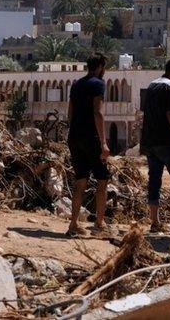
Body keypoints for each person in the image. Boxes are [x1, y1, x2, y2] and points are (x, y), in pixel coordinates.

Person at [140, 59, 170, 234]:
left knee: (154, 179)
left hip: (149, 140)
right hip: (167, 141)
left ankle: (155, 222)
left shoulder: (152, 85)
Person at [66, 53, 111, 237]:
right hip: (91, 138)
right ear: (100, 66)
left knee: (80, 182)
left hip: (75, 137)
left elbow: (70, 112)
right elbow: (98, 113)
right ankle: (99, 223)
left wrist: (75, 131)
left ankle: (73, 224)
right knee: (102, 180)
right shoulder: (98, 84)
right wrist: (103, 143)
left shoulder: (76, 84)